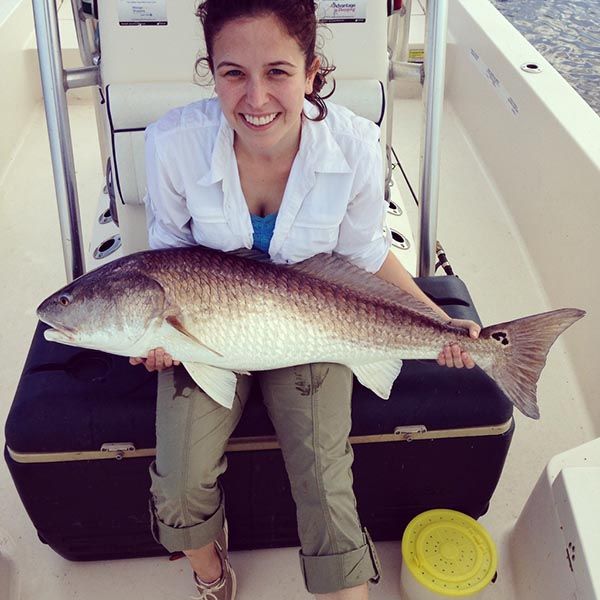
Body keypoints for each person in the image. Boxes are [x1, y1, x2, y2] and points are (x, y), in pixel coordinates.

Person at [130, 1, 481, 599]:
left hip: (317, 319)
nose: (256, 97)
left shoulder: (354, 145)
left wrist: (439, 322)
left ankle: (345, 587)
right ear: (210, 71)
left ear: (312, 71)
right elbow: (169, 254)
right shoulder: (171, 145)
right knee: (181, 480)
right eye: (233, 72)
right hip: (207, 330)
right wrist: (157, 338)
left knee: (324, 476)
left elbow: (367, 253)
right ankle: (211, 570)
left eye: (278, 72)